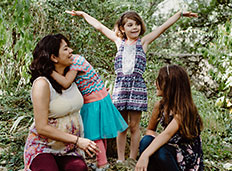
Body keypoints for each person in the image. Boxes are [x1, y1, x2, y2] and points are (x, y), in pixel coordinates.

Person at [65, 9, 198, 163]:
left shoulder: (143, 42)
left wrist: (179, 14)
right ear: (122, 28)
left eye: (137, 24)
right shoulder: (118, 42)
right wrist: (83, 15)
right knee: (122, 126)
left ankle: (132, 159)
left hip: (137, 88)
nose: (135, 28)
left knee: (134, 126)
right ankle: (121, 160)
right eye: (130, 25)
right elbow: (100, 27)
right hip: (121, 87)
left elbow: (163, 27)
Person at [24, 34, 99, 171]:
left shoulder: (71, 77)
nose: (71, 51)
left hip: (68, 150)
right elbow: (41, 127)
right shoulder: (42, 84)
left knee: (79, 169)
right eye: (65, 49)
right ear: (54, 57)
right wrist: (77, 140)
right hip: (43, 147)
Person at [50, 56, 128, 170]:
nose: (69, 51)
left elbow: (66, 83)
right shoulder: (75, 60)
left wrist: (48, 70)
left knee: (94, 134)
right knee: (101, 133)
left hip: (93, 101)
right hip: (101, 97)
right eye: (65, 49)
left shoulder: (75, 61)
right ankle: (102, 160)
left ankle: (103, 164)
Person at [135, 65, 204, 171]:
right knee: (146, 141)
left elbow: (167, 134)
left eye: (159, 81)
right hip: (170, 149)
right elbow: (150, 130)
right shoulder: (160, 105)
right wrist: (156, 141)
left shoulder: (184, 110)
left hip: (186, 158)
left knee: (161, 151)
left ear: (171, 86)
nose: (155, 84)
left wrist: (144, 155)